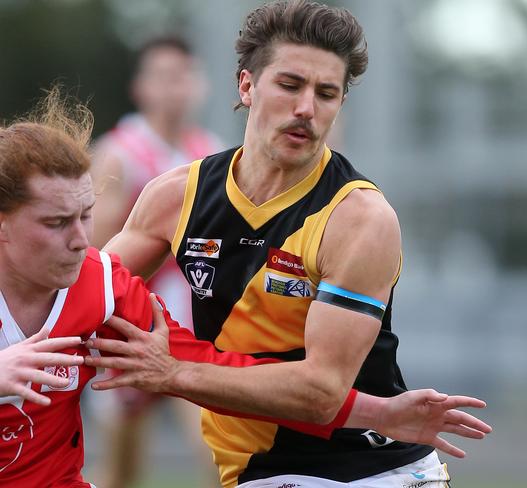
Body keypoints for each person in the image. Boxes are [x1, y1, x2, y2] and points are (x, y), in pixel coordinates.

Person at [85, 1, 493, 487]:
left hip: (368, 473)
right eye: (290, 85)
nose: (306, 108)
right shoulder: (176, 195)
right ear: (247, 86)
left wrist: (172, 371)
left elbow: (320, 393)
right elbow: (86, 292)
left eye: (326, 93)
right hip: (255, 472)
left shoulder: (358, 217)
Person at [1, 88, 490, 487]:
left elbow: (208, 367)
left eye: (86, 217)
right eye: (56, 222)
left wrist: (379, 413)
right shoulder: (182, 193)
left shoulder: (102, 289)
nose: (82, 240)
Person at [89, 35, 222, 488]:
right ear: (141, 87)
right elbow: (96, 250)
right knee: (121, 470)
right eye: (163, 76)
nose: (175, 88)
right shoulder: (119, 152)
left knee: (219, 450)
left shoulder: (212, 153)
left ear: (200, 85)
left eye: (183, 76)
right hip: (128, 324)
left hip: (192, 323)